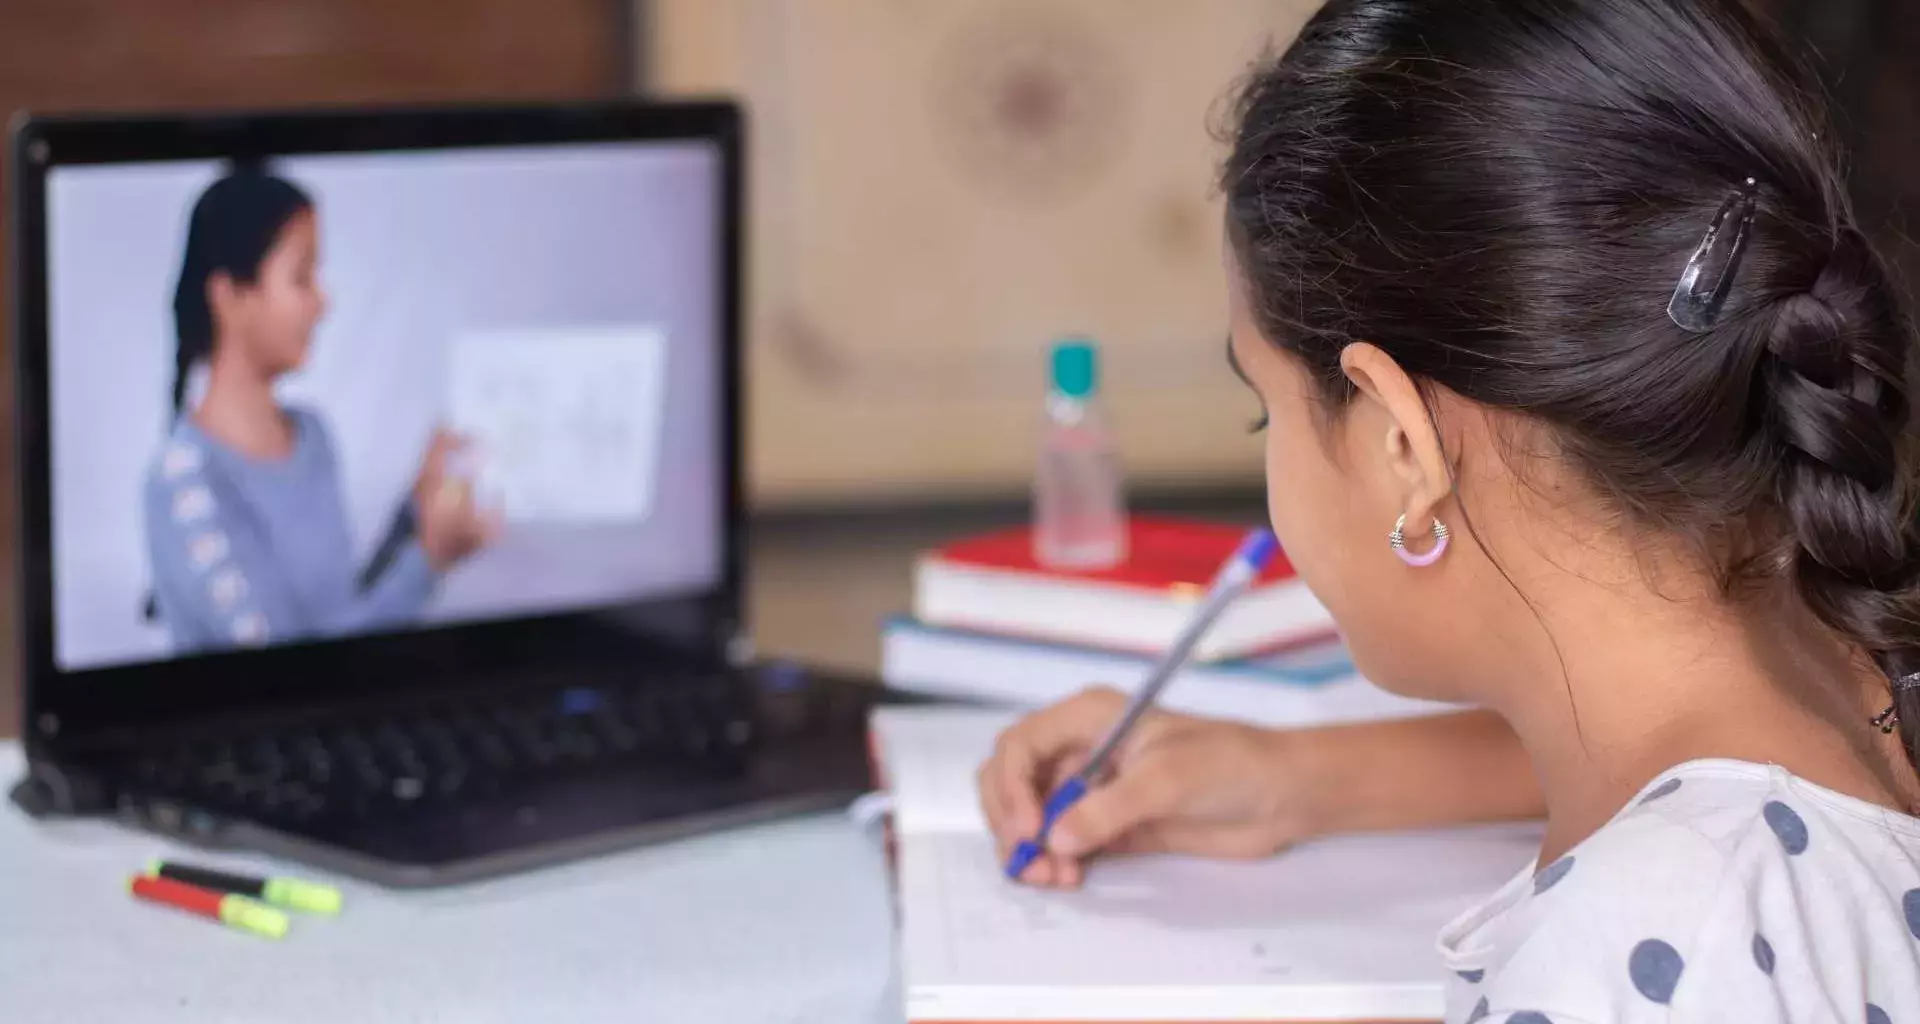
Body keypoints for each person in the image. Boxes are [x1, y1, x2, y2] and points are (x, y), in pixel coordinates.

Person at [978, 0, 1920, 1018]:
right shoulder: (1853, 656)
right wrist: (1296, 777)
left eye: (1269, 413)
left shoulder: (1645, 953)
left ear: (1400, 444)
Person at [143, 164, 495, 654]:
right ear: (231, 297)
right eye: (302, 277)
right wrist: (430, 561)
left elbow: (340, 617)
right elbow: (293, 670)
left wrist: (417, 514)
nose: (323, 302)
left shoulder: (312, 435)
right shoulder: (183, 485)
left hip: (346, 722)